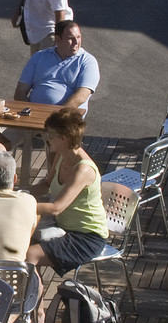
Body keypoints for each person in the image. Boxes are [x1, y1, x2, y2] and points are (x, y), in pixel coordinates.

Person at [27, 108, 110, 277]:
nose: (47, 139)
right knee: (21, 244)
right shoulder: (61, 155)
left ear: (63, 139)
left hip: (87, 237)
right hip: (62, 227)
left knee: (30, 254)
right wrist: (13, 192)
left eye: (50, 135)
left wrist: (20, 204)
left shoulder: (83, 170)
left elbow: (56, 208)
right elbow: (46, 184)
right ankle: (35, 302)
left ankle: (27, 300)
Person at [15, 13, 100, 113]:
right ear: (58, 40)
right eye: (71, 38)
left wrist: (56, 114)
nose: (76, 42)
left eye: (78, 37)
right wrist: (28, 111)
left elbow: (81, 96)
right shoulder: (39, 57)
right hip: (33, 114)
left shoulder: (88, 61)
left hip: (64, 119)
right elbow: (20, 90)